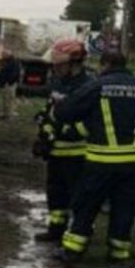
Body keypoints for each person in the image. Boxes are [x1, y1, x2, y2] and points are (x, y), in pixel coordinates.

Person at [54, 51, 135, 263]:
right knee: (124, 208)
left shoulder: (97, 87)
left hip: (100, 161)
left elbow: (65, 112)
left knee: (86, 204)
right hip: (132, 164)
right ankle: (118, 254)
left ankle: (72, 251)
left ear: (105, 65)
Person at [32, 40, 92, 242]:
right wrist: (44, 134)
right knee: (55, 193)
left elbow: (90, 123)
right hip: (56, 153)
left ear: (74, 63)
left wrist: (62, 132)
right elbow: (50, 110)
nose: (55, 68)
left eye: (59, 64)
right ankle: (56, 229)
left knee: (77, 197)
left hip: (77, 155)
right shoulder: (58, 83)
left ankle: (77, 234)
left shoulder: (88, 87)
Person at [0, 49, 21, 117]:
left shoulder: (14, 62)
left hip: (10, 83)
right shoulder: (3, 61)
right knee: (4, 98)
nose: (2, 56)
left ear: (7, 54)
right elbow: (0, 71)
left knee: (10, 98)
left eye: (3, 54)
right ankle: (5, 112)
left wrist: (9, 82)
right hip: (4, 83)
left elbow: (15, 73)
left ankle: (10, 113)